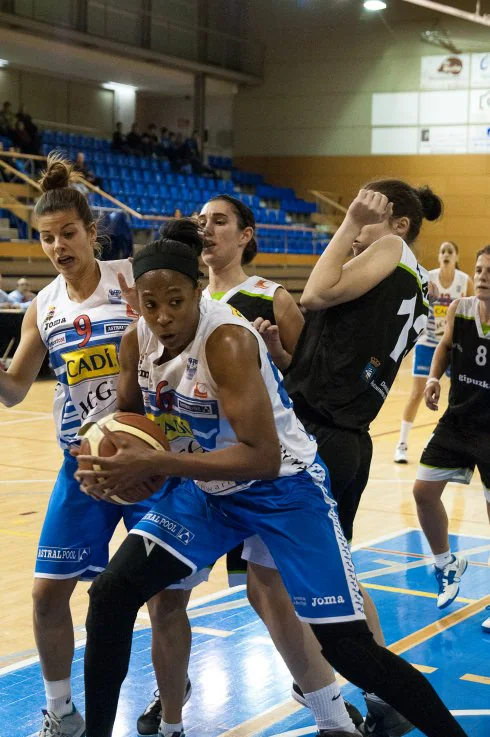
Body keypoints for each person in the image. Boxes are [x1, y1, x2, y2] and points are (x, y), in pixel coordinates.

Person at [76, 218, 467, 737]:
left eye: (175, 301)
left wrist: (155, 464)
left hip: (285, 488)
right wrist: (102, 463)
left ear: (198, 290)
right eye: (151, 305)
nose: (163, 316)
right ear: (137, 303)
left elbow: (260, 457)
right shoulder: (136, 344)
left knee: (348, 647)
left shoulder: (228, 340)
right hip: (209, 493)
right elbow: (126, 425)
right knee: (110, 594)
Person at [134, 197, 358, 737]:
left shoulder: (266, 298)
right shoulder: (164, 303)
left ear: (245, 234)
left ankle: (351, 696)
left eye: (220, 221)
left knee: (273, 592)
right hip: (202, 476)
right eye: (201, 221)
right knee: (167, 594)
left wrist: (278, 352)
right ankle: (171, 701)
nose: (206, 228)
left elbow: (305, 380)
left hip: (271, 469)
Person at [239, 181, 444, 736]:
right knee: (331, 578)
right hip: (339, 436)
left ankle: (324, 693)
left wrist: (349, 221)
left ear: (399, 224)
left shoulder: (394, 251)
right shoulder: (399, 277)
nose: (357, 232)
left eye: (372, 215)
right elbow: (338, 345)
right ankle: (378, 693)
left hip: (321, 439)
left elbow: (314, 295)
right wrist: (287, 357)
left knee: (272, 585)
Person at [0, 154, 170, 737]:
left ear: (91, 232)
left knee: (164, 598)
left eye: (67, 233)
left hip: (150, 461)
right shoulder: (43, 307)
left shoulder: (133, 279)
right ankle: (63, 713)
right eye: (46, 237)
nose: (56, 246)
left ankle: (167, 705)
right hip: (84, 467)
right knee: (48, 595)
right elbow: (15, 389)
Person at [412, 245, 490, 632]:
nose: (482, 276)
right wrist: (431, 380)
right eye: (478, 269)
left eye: (489, 271)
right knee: (423, 493)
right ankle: (446, 565)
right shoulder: (460, 308)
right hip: (458, 422)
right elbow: (443, 348)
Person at [394, 241, 473, 463]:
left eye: (450, 251)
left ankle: (448, 442)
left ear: (456, 257)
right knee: (417, 391)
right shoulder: (430, 278)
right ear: (439, 257)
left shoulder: (464, 281)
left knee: (458, 394)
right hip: (428, 342)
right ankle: (402, 443)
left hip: (452, 344)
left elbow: (473, 311)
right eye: (442, 251)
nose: (446, 254)